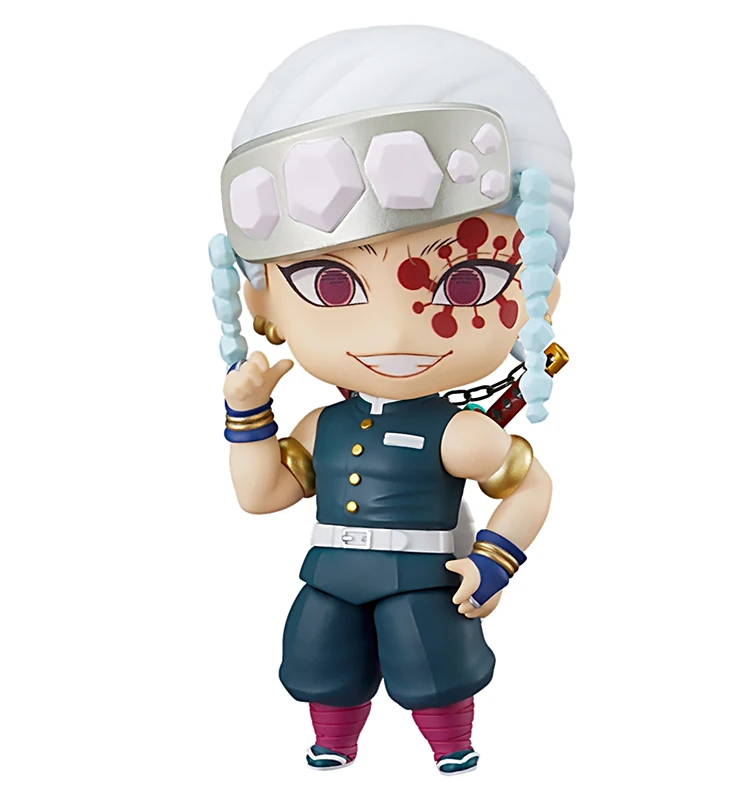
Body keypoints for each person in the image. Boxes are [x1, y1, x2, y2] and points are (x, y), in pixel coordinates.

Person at [209, 25, 574, 775]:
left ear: (535, 300)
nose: (394, 332)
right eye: (331, 284)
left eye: (465, 283)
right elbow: (261, 495)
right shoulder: (322, 425)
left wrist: (495, 561)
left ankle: (451, 744)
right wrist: (248, 416)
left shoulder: (458, 433)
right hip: (330, 575)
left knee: (432, 659)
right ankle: (333, 740)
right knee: (318, 655)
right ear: (264, 305)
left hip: (422, 579)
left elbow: (529, 483)